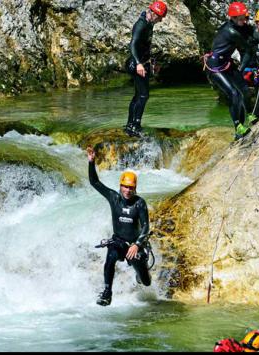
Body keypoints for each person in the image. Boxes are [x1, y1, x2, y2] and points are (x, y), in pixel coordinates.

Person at [204, 2, 259, 141]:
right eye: (240, 18)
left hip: (227, 63)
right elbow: (248, 46)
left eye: (244, 17)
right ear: (233, 18)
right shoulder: (231, 31)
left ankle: (250, 115)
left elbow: (253, 33)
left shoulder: (241, 26)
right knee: (234, 94)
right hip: (215, 67)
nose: (243, 20)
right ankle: (238, 126)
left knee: (244, 90)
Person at [87, 147, 152, 306]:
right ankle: (107, 292)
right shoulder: (114, 198)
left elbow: (145, 226)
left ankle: (141, 273)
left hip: (134, 246)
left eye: (131, 187)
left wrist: (137, 245)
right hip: (118, 242)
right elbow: (94, 182)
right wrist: (91, 162)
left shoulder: (139, 203)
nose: (127, 190)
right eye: (125, 186)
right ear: (120, 186)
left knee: (146, 282)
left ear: (134, 188)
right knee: (110, 257)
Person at [124, 1, 168, 138]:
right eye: (160, 17)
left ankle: (130, 125)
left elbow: (145, 47)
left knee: (138, 95)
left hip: (142, 62)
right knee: (143, 95)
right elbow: (133, 44)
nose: (161, 20)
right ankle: (134, 126)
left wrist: (152, 62)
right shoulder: (141, 24)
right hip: (135, 63)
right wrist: (138, 64)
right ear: (153, 13)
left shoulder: (149, 24)